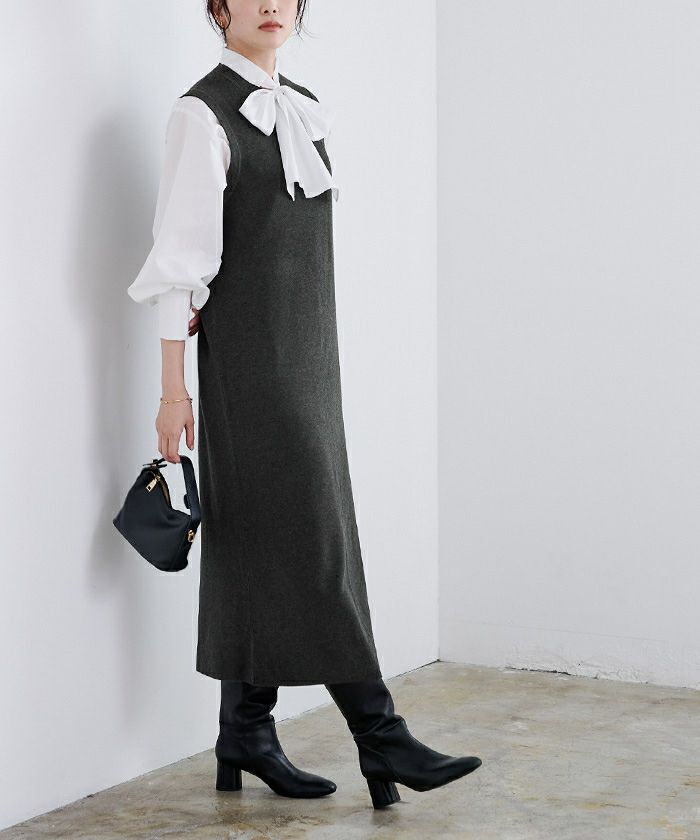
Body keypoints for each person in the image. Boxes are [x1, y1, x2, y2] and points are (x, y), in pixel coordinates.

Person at [127, 0, 481, 810]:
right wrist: (173, 390)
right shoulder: (201, 115)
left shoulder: (306, 108)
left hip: (312, 356)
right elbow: (180, 263)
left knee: (267, 535)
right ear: (218, 9)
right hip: (252, 367)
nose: (269, 5)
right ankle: (380, 733)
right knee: (316, 540)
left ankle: (245, 732)